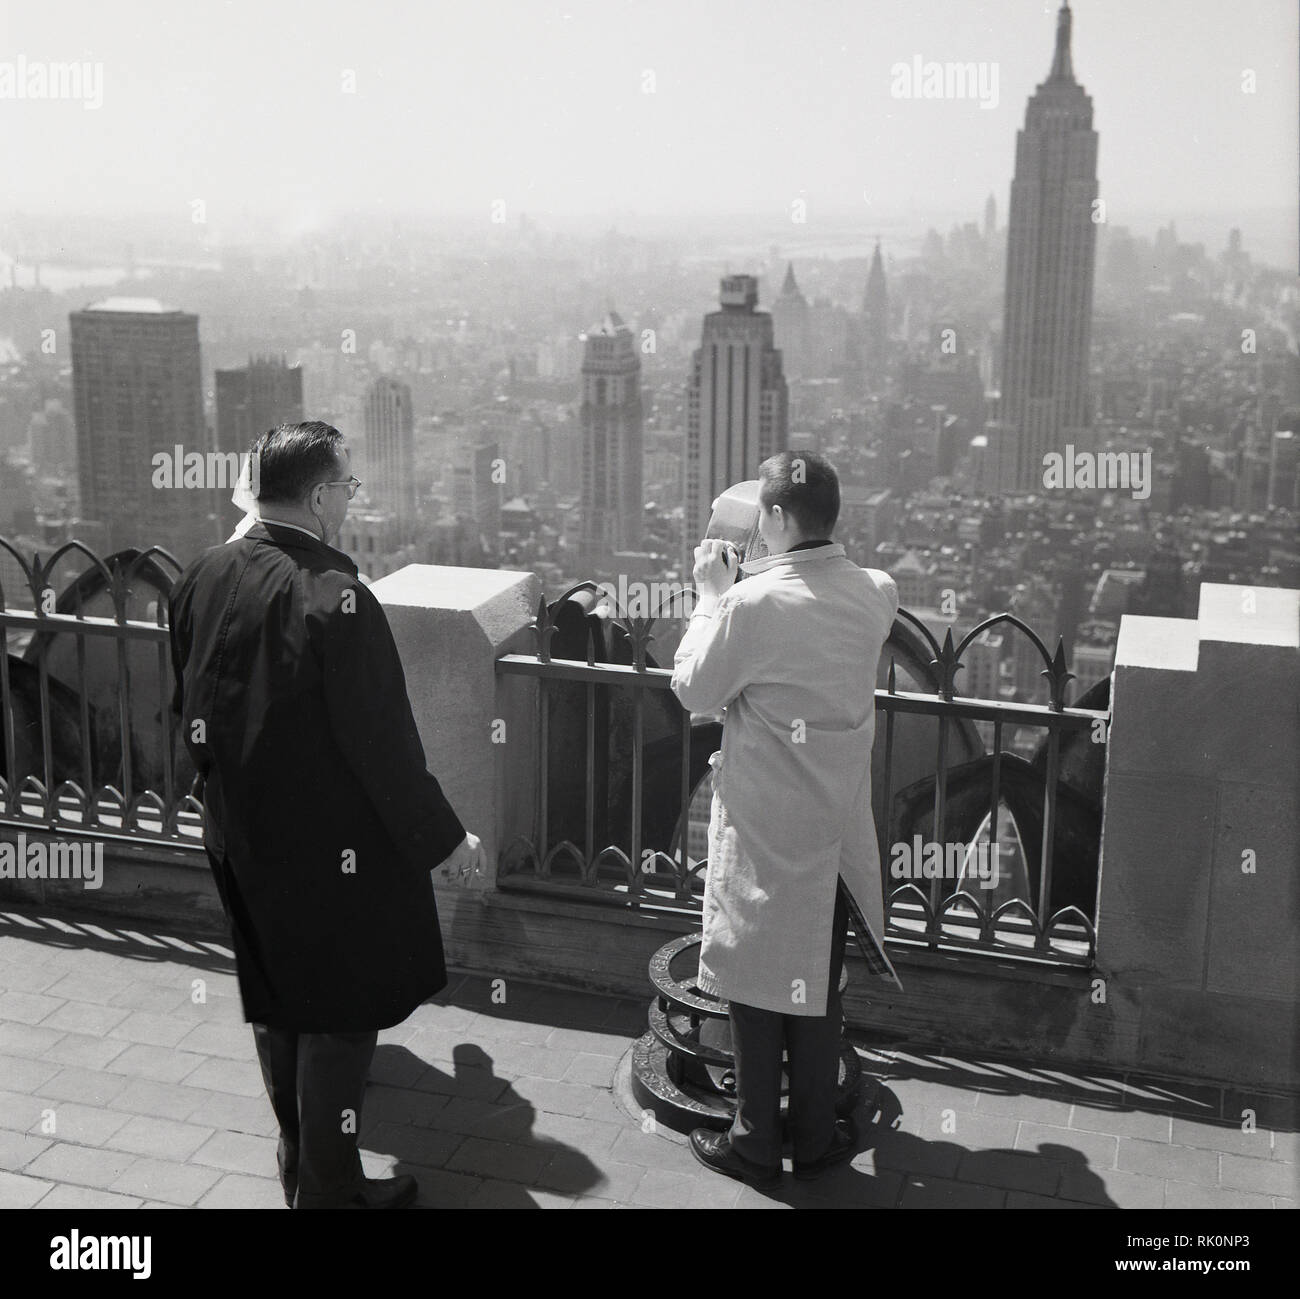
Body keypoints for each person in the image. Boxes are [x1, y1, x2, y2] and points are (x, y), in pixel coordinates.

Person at [168, 421, 485, 1210]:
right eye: (348, 485)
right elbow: (382, 745)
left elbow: (190, 705)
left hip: (239, 836)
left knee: (278, 1000)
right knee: (339, 1016)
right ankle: (331, 1192)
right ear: (316, 496)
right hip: (330, 851)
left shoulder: (203, 574)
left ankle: (298, 1162)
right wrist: (447, 840)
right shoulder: (337, 598)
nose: (353, 496)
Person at [670, 450, 901, 1190]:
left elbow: (694, 687)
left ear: (770, 518)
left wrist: (712, 593)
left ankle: (754, 1141)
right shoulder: (876, 593)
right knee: (815, 982)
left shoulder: (751, 606)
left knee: (753, 982)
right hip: (834, 829)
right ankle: (813, 1131)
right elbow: (827, 590)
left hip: (765, 828)